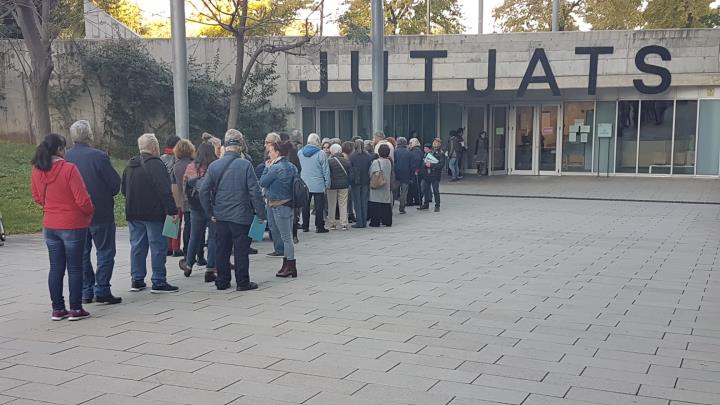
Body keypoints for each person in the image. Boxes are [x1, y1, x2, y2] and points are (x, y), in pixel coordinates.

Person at [32, 133, 95, 321]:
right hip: (73, 223)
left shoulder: (37, 170)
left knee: (55, 267)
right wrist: (89, 212)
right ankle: (75, 308)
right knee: (75, 267)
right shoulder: (69, 169)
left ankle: (58, 308)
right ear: (60, 149)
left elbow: (37, 197)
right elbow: (82, 198)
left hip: (50, 224)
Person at [65, 120, 122, 305]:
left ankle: (85, 291)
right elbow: (114, 184)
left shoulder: (66, 157)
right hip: (101, 211)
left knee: (81, 252)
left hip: (76, 213)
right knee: (105, 251)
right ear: (89, 135)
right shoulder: (99, 156)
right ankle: (102, 289)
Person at [200, 130, 266, 291]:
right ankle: (242, 282)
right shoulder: (245, 165)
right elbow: (254, 192)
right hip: (241, 215)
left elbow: (203, 191)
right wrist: (261, 213)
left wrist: (210, 212)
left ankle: (222, 281)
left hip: (220, 216)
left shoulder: (215, 166)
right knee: (241, 250)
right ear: (240, 147)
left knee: (222, 249)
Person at [122, 133, 180, 294]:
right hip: (153, 213)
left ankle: (137, 279)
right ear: (154, 148)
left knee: (137, 246)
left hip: (133, 212)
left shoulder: (130, 165)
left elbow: (123, 189)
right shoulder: (156, 164)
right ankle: (159, 281)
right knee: (158, 246)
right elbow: (164, 190)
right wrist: (172, 210)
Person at [179, 143, 218, 283]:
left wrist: (189, 202)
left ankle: (189, 264)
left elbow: (185, 187)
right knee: (213, 237)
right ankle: (210, 268)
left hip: (196, 207)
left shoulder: (191, 167)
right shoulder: (215, 167)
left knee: (194, 236)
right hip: (212, 207)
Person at [260, 141, 299, 278]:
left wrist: (266, 167)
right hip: (289, 203)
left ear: (277, 152)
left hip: (278, 204)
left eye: (270, 151)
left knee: (286, 238)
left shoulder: (275, 168)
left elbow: (263, 182)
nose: (269, 154)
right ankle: (286, 264)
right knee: (287, 236)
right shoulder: (292, 167)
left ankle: (291, 266)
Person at [298, 133, 331, 233]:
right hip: (318, 183)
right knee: (319, 206)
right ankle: (319, 226)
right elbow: (326, 170)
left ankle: (305, 226)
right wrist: (327, 183)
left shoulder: (300, 152)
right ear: (317, 142)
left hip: (304, 183)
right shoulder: (321, 153)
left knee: (305, 206)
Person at [173, 139, 196, 264]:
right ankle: (196, 253)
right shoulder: (193, 164)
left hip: (183, 199)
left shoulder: (176, 166)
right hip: (193, 199)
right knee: (195, 227)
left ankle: (186, 251)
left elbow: (174, 185)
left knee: (187, 226)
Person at [160, 135, 183, 257]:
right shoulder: (177, 159)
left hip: (163, 191)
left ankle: (168, 247)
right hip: (175, 190)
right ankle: (176, 247)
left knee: (168, 218)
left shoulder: (161, 158)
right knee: (176, 218)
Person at [326, 143, 352, 231]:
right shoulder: (346, 161)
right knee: (343, 204)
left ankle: (332, 223)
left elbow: (327, 174)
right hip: (344, 185)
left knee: (331, 204)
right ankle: (344, 223)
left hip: (332, 186)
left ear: (332, 152)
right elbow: (350, 173)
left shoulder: (329, 161)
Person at [368, 144, 393, 227]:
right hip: (386, 185)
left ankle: (375, 221)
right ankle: (387, 220)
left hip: (377, 185)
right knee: (385, 203)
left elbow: (371, 173)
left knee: (375, 203)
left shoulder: (376, 162)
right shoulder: (389, 161)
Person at [418, 139, 446, 212]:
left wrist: (431, 165)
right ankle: (426, 204)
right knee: (425, 189)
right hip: (427, 174)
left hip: (435, 175)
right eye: (434, 143)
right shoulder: (430, 152)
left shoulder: (441, 154)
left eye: (437, 143)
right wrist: (425, 164)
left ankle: (437, 205)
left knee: (435, 190)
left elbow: (441, 165)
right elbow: (425, 161)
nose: (435, 144)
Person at [350, 139, 372, 228]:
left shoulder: (352, 156)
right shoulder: (368, 156)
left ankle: (359, 222)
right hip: (365, 181)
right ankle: (364, 221)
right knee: (364, 202)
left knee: (357, 202)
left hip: (356, 182)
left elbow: (350, 170)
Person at [341, 141, 356, 223]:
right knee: (348, 200)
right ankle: (349, 215)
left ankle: (349, 214)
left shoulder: (343, 156)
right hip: (347, 181)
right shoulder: (348, 158)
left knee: (347, 200)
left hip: (344, 181)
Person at [408, 138, 424, 206]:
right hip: (418, 171)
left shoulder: (415, 151)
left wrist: (415, 170)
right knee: (417, 187)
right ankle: (417, 200)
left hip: (415, 172)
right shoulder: (418, 150)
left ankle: (414, 200)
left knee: (414, 187)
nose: (409, 145)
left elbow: (416, 161)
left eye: (411, 143)